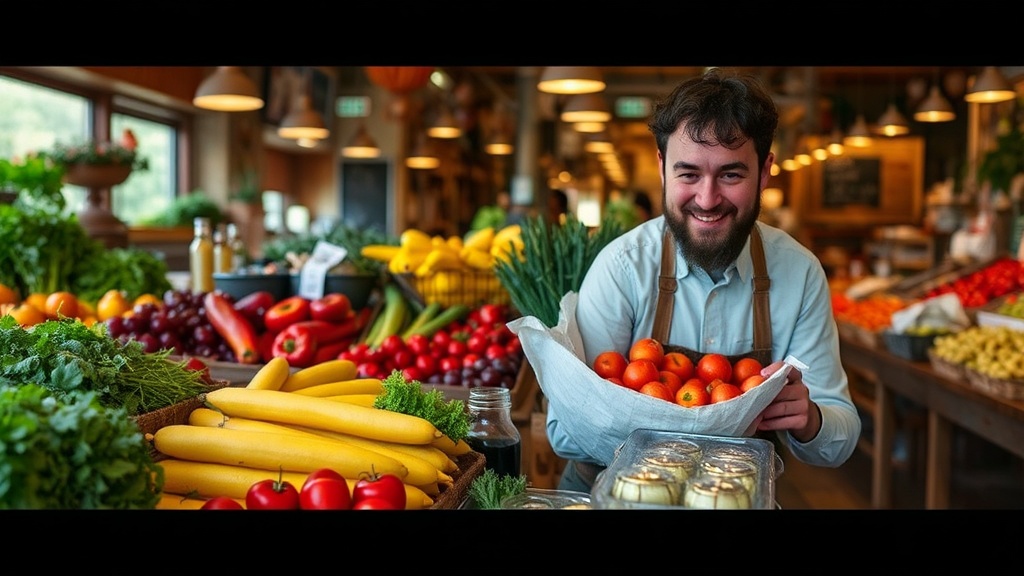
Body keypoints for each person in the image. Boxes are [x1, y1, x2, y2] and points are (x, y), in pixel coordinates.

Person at [549, 68, 863, 493]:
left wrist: (810, 419)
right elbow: (562, 432)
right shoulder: (622, 268)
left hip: (734, 496)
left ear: (765, 170)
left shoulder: (799, 273)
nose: (707, 199)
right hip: (609, 493)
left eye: (731, 175)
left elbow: (839, 439)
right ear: (662, 167)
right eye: (689, 174)